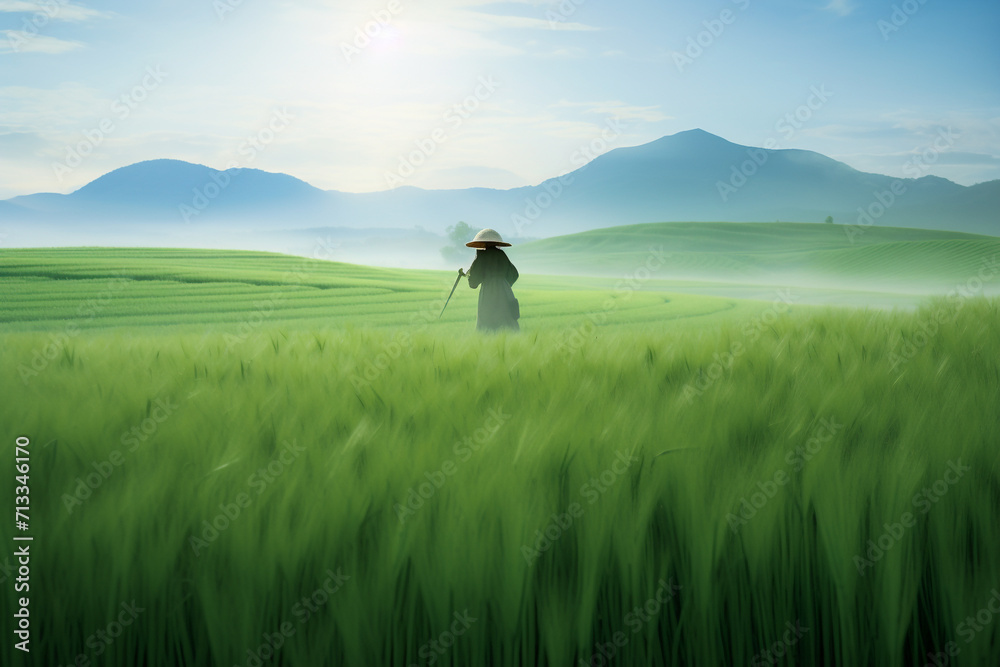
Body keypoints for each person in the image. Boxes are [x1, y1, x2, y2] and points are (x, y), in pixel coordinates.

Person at [462, 228, 519, 332]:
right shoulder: (502, 255)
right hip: (505, 291)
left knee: (487, 322)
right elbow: (515, 274)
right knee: (507, 321)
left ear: (482, 243)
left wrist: (469, 276)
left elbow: (473, 283)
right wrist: (505, 285)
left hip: (488, 291)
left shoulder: (481, 256)